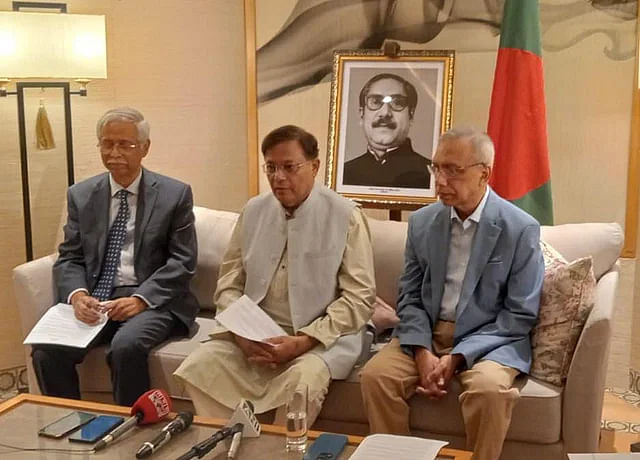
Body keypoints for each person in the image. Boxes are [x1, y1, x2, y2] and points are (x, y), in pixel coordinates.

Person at [360, 127, 544, 460]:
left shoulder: (520, 229)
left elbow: (519, 315)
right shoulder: (422, 223)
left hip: (490, 339)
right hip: (428, 332)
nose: (440, 180)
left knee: (489, 391)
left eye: (453, 170)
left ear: (483, 174)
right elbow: (410, 297)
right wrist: (421, 353)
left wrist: (457, 357)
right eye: (436, 168)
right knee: (376, 376)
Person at [174, 125, 375, 425]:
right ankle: (227, 446)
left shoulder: (345, 215)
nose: (278, 177)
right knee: (200, 365)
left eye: (289, 167)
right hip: (251, 338)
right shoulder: (253, 211)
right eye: (271, 167)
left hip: (317, 341)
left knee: (303, 383)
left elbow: (359, 299)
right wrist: (241, 335)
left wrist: (305, 340)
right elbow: (228, 286)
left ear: (314, 166)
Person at [31, 107, 199, 406]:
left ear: (145, 148)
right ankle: (70, 427)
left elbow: (182, 262)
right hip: (99, 298)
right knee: (46, 349)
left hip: (152, 301)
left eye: (125, 144)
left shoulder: (174, 195)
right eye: (107, 144)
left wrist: (139, 300)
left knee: (125, 347)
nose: (114, 152)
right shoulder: (81, 195)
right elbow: (69, 256)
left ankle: (129, 434)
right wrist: (78, 296)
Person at [342, 73, 431, 189]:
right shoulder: (344, 173)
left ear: (411, 115)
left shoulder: (430, 175)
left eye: (397, 103)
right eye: (375, 102)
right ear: (361, 114)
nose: (385, 113)